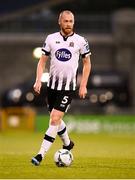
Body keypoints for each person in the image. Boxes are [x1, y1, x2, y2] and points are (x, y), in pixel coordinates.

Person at [31, 10, 91, 166]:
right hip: (52, 87)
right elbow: (42, 61)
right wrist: (38, 80)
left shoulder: (81, 41)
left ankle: (40, 155)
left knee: (55, 119)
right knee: (55, 119)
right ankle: (68, 144)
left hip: (67, 88)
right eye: (66, 21)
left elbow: (87, 63)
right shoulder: (51, 39)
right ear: (60, 22)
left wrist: (83, 84)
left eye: (71, 21)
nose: (69, 24)